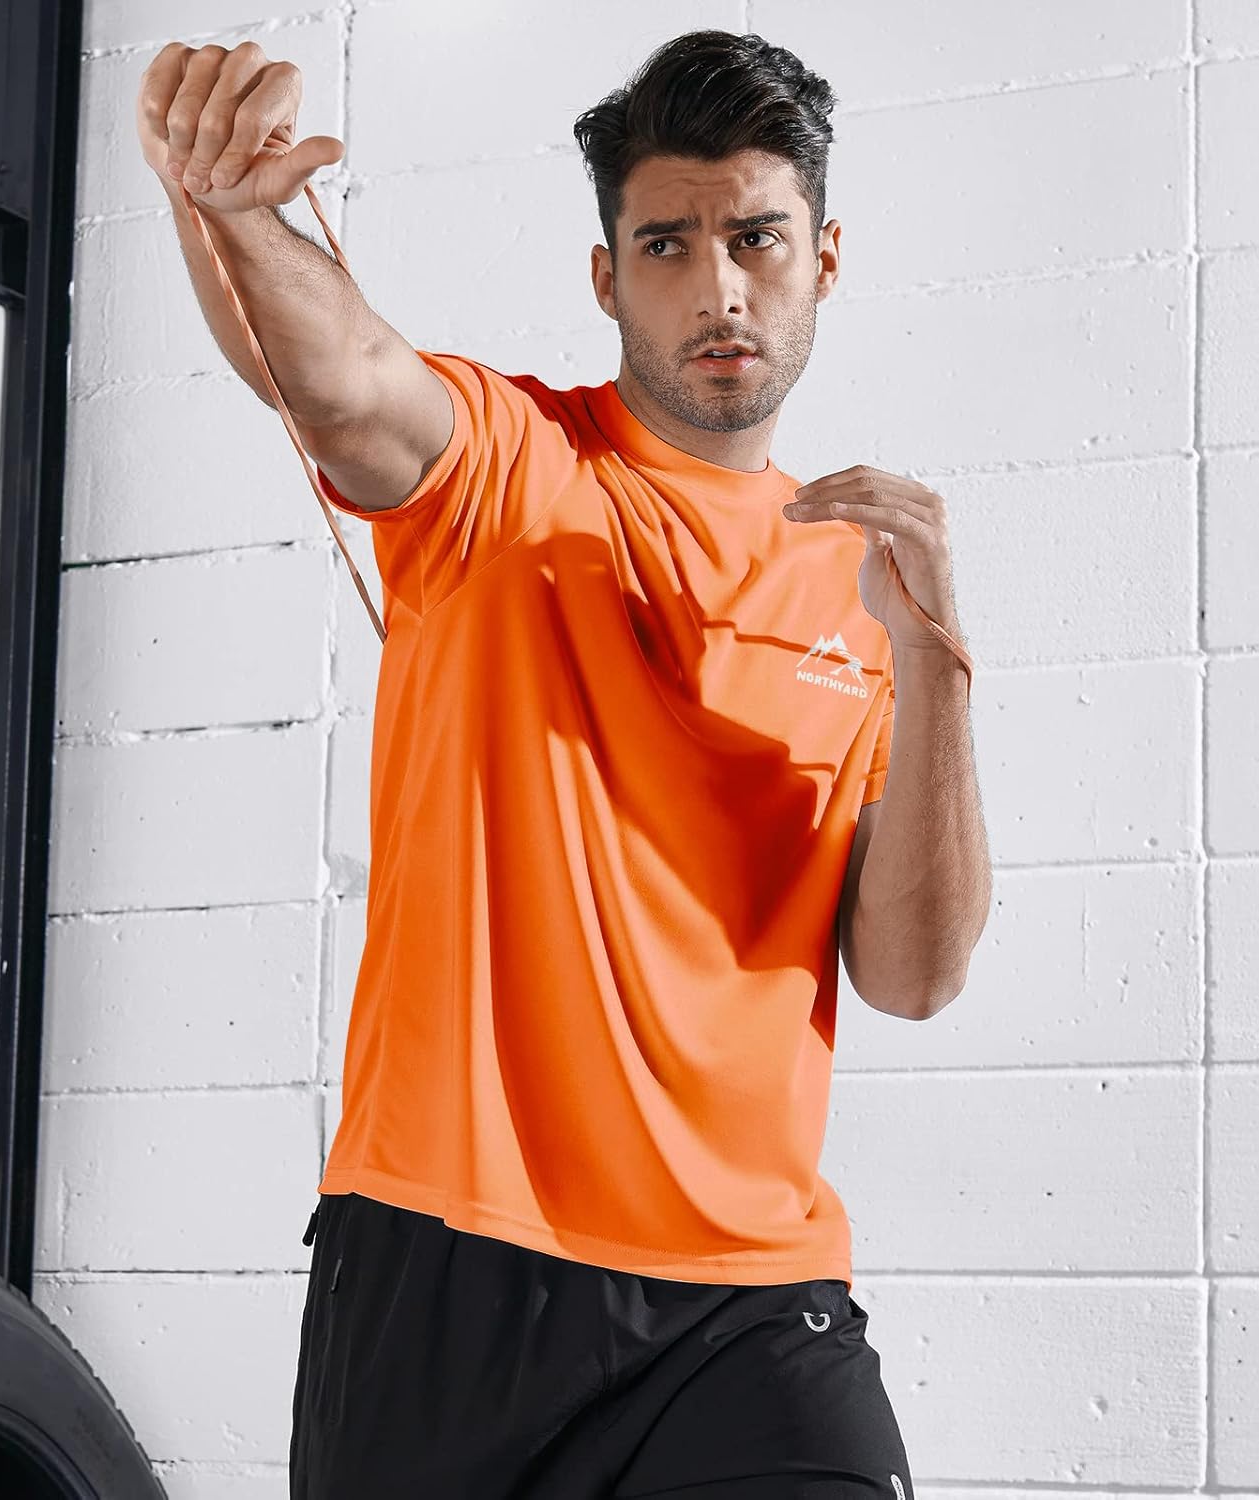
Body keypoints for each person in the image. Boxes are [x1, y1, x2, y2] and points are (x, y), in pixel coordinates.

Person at [138, 27, 992, 1498]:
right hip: (444, 1271)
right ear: (607, 277)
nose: (717, 287)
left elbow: (912, 977)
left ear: (824, 259)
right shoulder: (510, 463)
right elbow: (348, 383)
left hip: (747, 1306)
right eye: (665, 244)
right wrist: (235, 215)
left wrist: (935, 662)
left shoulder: (868, 587)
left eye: (756, 237)